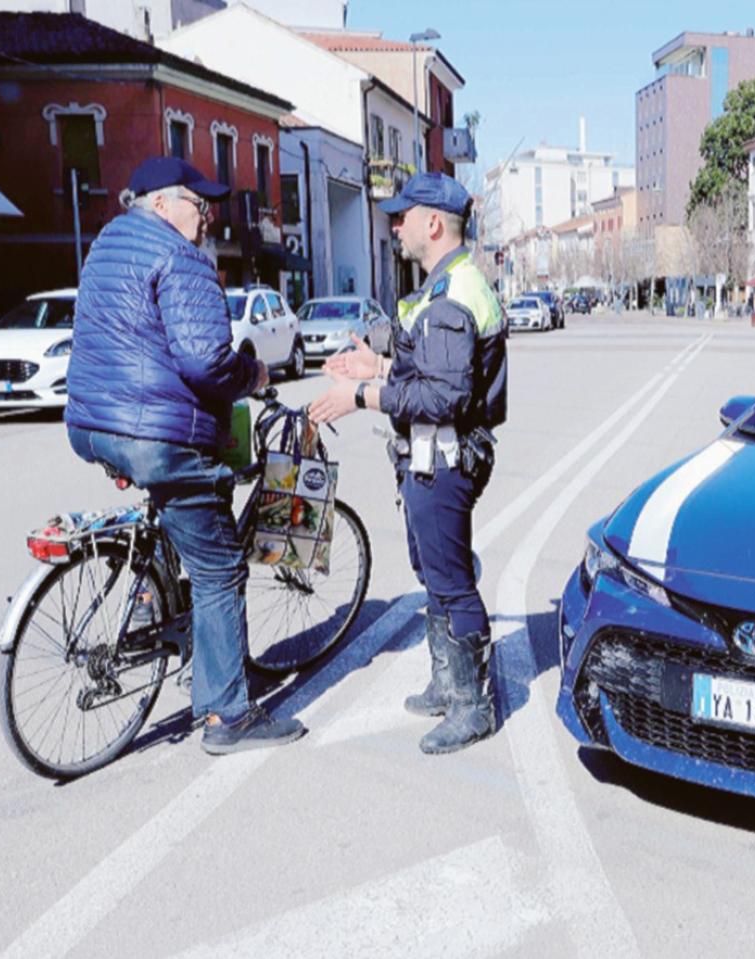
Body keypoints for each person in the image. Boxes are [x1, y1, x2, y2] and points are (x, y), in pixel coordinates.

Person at [66, 157, 304, 755]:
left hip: (94, 424)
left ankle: (151, 603)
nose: (207, 217)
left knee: (179, 510)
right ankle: (228, 717)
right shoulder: (182, 256)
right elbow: (204, 361)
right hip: (156, 435)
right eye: (199, 205)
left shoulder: (106, 246)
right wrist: (253, 375)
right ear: (163, 204)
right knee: (221, 565)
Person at [308, 172, 507, 755]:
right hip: (430, 455)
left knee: (451, 579)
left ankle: (473, 706)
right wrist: (378, 363)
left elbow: (443, 397)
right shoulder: (446, 287)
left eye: (403, 217)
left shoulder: (452, 297)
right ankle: (448, 683)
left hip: (444, 458)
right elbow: (430, 372)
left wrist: (363, 395)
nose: (395, 226)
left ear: (434, 223)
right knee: (435, 573)